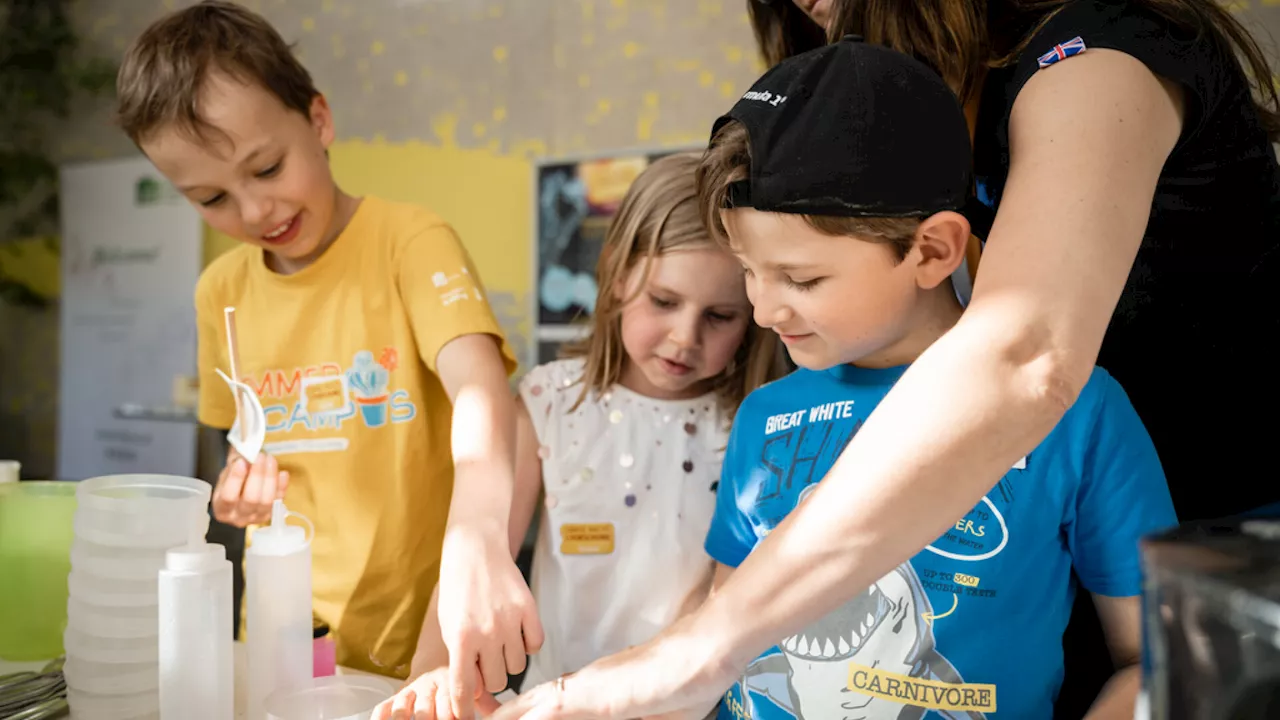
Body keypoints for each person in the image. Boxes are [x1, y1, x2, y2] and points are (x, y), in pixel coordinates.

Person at [491, 0, 1279, 718]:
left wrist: (690, 654)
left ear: (935, 248)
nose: (765, 313)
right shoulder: (773, 410)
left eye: (799, 279)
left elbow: (1024, 357)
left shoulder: (1101, 62)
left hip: (1221, 569)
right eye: (753, 279)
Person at [115, 0, 541, 686]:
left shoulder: (409, 241)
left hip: (423, 642)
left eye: (267, 168)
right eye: (211, 198)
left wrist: (481, 538)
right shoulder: (220, 290)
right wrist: (236, 496)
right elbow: (241, 447)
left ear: (318, 121)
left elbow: (481, 390)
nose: (254, 211)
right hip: (282, 642)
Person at [373, 152, 788, 720]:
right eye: (663, 301)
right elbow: (478, 548)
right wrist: (431, 669)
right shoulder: (549, 400)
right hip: (551, 705)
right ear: (617, 275)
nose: (685, 337)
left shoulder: (757, 422)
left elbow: (731, 608)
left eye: (720, 316)